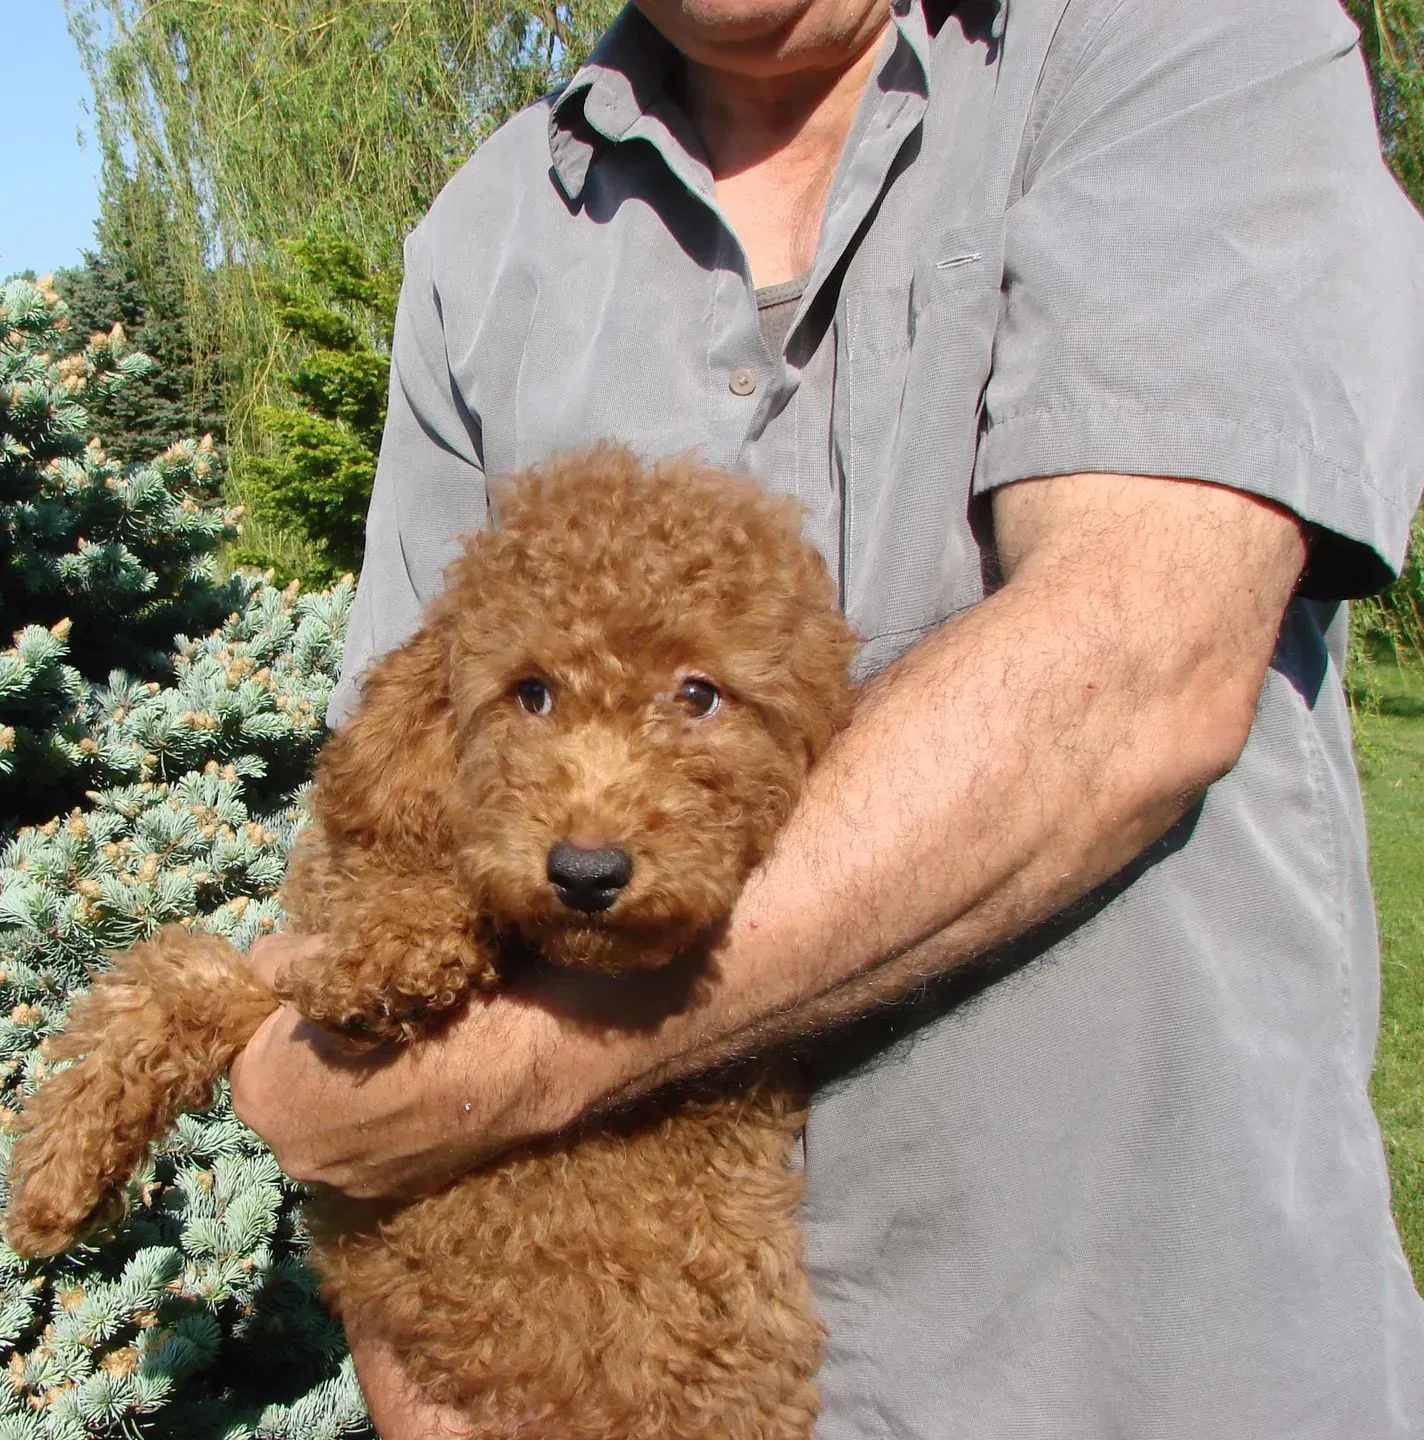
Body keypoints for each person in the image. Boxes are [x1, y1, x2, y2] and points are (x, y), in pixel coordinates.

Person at [231, 0, 1424, 1434]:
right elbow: (379, 815)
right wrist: (433, 1400)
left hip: (1156, 1374)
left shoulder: (1177, 35)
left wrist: (490, 1076)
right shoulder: (486, 240)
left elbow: (1134, 675)